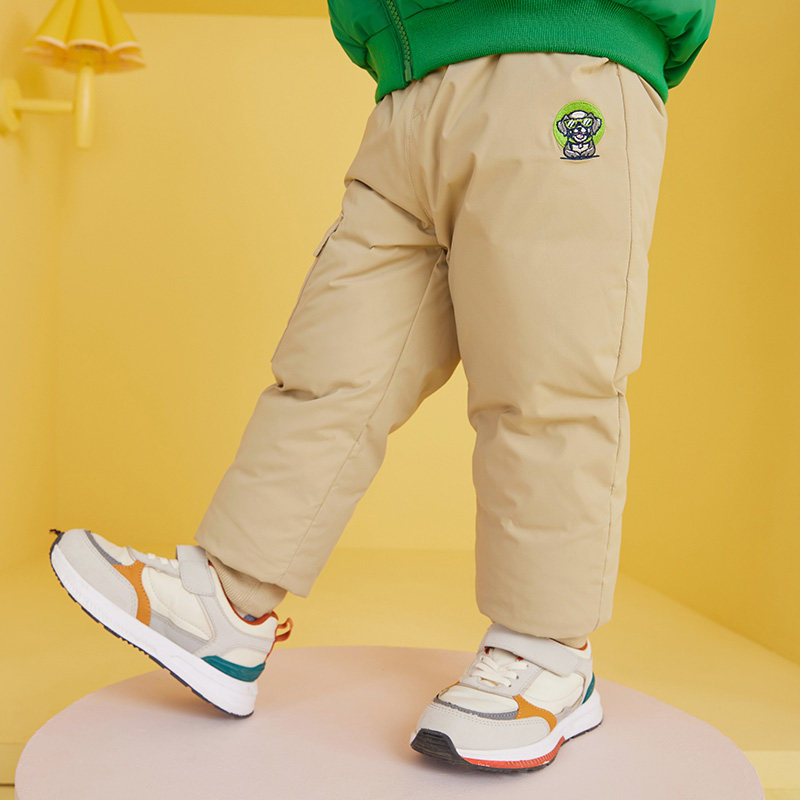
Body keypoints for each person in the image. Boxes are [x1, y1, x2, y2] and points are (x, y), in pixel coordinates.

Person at [49, 0, 715, 774]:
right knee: (330, 368)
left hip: (566, 51)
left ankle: (550, 652)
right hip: (409, 82)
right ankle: (229, 602)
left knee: (546, 383)